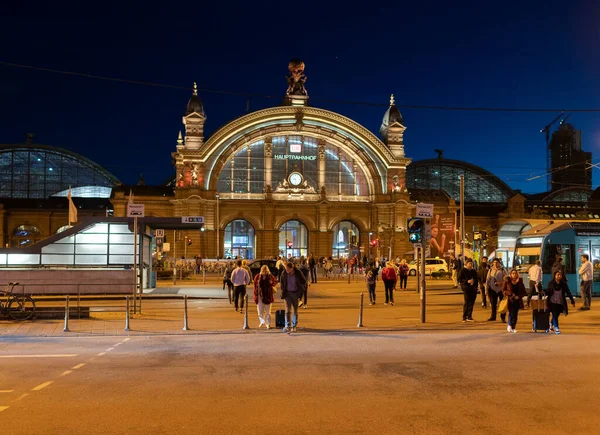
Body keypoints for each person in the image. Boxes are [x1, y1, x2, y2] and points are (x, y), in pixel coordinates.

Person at [280, 262, 307, 333]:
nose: (287, 270)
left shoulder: (298, 273)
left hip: (296, 293)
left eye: (288, 269)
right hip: (287, 294)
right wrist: (283, 290)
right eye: (286, 268)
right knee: (287, 310)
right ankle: (287, 326)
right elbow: (282, 282)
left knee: (295, 310)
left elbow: (304, 281)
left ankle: (294, 326)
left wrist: (300, 289)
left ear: (292, 268)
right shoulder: (284, 273)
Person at [253, 265, 277, 329]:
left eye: (265, 271)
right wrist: (255, 296)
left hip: (268, 295)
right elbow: (255, 287)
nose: (264, 272)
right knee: (260, 311)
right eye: (263, 271)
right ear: (261, 270)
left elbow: (275, 282)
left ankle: (268, 324)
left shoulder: (270, 276)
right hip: (260, 295)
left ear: (267, 271)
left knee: (268, 312)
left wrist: (271, 282)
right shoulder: (257, 276)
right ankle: (262, 321)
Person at [486, 258, 507, 322]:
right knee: (493, 303)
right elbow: (488, 280)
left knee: (502, 304)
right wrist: (486, 290)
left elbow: (506, 279)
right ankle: (493, 316)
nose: (495, 264)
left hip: (501, 289)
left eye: (497, 262)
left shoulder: (502, 270)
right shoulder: (490, 270)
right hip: (492, 289)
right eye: (494, 262)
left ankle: (503, 317)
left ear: (499, 263)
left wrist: (501, 283)